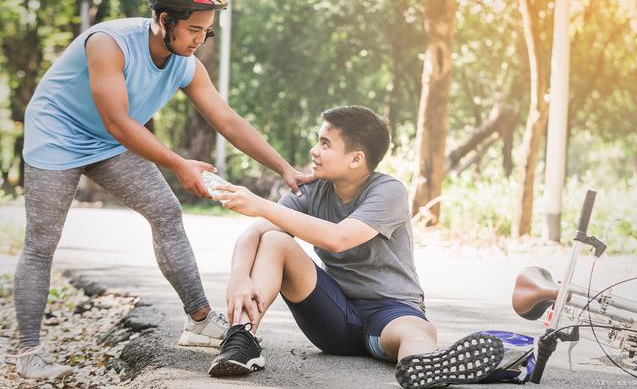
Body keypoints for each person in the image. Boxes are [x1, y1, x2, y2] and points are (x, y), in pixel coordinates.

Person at [13, 0, 312, 380]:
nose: (198, 40)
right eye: (193, 29)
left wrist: (284, 168)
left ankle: (199, 319)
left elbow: (227, 120)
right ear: (163, 19)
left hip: (108, 143)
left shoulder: (185, 63)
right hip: (57, 136)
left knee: (166, 212)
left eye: (206, 32)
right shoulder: (109, 43)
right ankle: (29, 353)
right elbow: (118, 122)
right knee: (42, 242)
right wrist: (178, 163)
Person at [206, 106, 505, 388]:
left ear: (356, 159)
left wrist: (261, 205)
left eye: (325, 144)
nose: (315, 150)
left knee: (418, 332)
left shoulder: (389, 191)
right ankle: (241, 339)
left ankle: (422, 367)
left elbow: (339, 238)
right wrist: (239, 276)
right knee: (274, 240)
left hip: (390, 312)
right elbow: (254, 234)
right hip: (334, 314)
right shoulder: (312, 190)